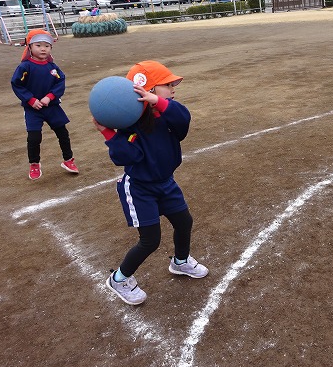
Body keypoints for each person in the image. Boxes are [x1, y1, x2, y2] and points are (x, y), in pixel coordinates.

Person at [93, 60, 208, 306]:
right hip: (140, 188)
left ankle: (180, 262)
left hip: (166, 183)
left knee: (184, 222)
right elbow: (126, 157)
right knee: (150, 240)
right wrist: (109, 134)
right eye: (168, 85)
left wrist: (159, 103)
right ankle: (119, 279)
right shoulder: (130, 125)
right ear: (148, 90)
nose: (173, 88)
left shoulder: (168, 115)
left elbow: (183, 120)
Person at [11, 29, 79, 180]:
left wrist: (50, 96)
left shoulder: (52, 67)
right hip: (33, 109)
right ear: (29, 47)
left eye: (47, 46)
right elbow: (17, 84)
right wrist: (31, 100)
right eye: (38, 45)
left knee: (63, 134)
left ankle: (68, 160)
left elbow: (60, 81)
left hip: (52, 107)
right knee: (34, 138)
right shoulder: (25, 67)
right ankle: (34, 164)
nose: (43, 49)